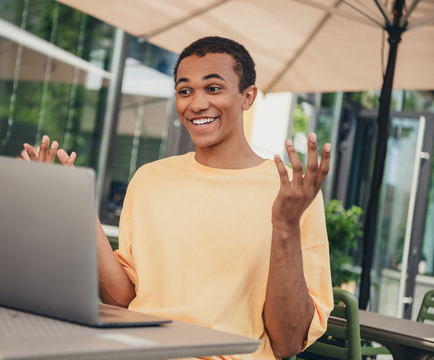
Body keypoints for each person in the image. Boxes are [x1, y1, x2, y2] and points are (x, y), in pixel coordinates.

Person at [21, 36, 333, 360]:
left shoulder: (292, 195)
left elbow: (289, 341)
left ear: (247, 96)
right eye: (185, 91)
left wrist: (285, 225)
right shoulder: (149, 179)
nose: (196, 104)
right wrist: (73, 202)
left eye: (213, 88)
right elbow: (123, 300)